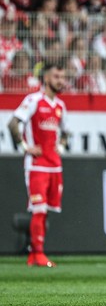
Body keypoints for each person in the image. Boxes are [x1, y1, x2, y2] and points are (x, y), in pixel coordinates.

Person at [7, 63, 69, 267]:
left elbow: (66, 132)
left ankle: (34, 254)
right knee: (39, 208)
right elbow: (13, 123)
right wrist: (25, 146)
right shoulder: (34, 100)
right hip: (36, 166)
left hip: (55, 166)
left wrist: (61, 146)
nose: (60, 80)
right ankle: (38, 253)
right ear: (46, 78)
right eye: (56, 76)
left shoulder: (60, 106)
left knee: (46, 210)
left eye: (62, 77)